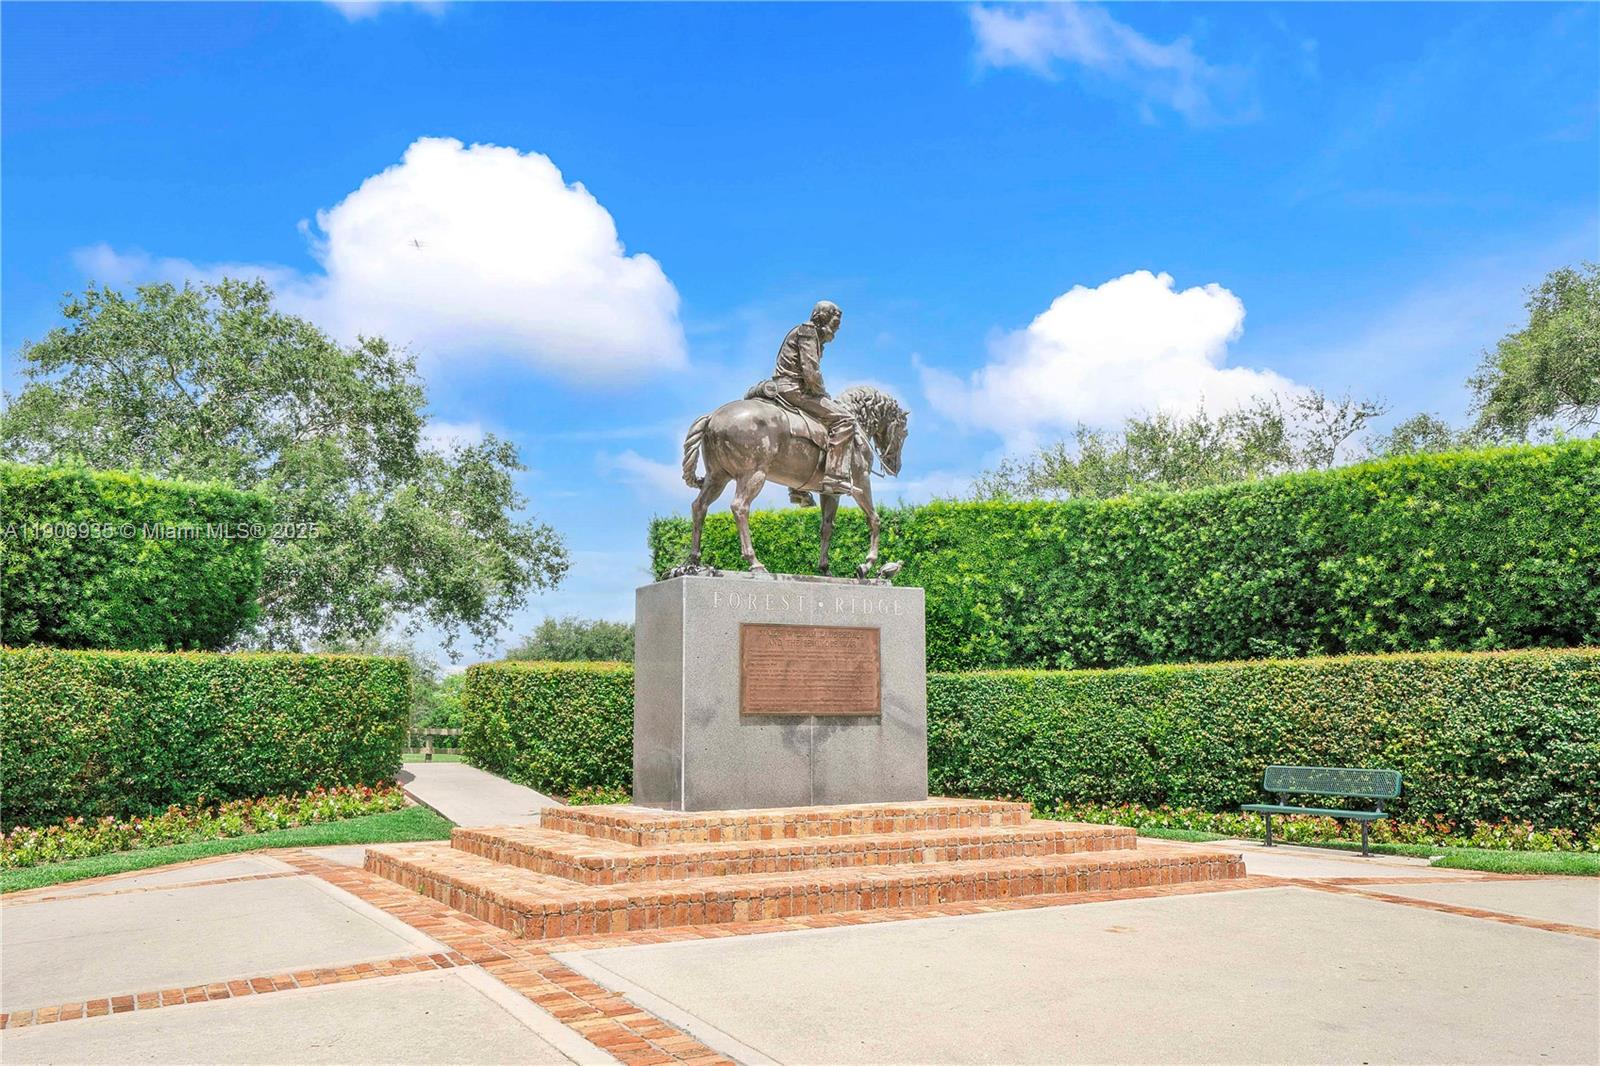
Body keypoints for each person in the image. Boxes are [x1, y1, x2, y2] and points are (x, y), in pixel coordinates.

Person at [769, 300, 856, 495]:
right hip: (794, 389)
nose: (837, 329)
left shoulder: (809, 334)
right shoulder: (808, 332)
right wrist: (823, 394)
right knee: (846, 419)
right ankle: (835, 477)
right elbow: (811, 373)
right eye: (835, 323)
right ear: (823, 318)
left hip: (784, 387)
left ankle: (798, 487)